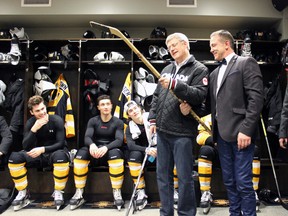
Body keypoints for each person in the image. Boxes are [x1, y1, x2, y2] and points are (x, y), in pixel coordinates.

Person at [148, 32, 209, 216]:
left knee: (184, 178)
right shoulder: (167, 68)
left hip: (183, 133)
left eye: (174, 44)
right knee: (163, 177)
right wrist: (153, 118)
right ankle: (165, 212)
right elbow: (157, 96)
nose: (171, 49)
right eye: (169, 47)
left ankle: (186, 213)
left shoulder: (199, 69)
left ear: (185, 44)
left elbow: (199, 95)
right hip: (163, 131)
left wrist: (175, 84)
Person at [208, 30, 264, 216]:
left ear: (226, 44)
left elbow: (256, 99)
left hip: (241, 134)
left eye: (213, 45)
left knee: (243, 182)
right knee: (230, 181)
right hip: (221, 136)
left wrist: (247, 130)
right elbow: (213, 105)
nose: (211, 49)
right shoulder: (215, 73)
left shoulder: (246, 63)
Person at [8, 95, 70, 211]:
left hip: (55, 152)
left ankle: (58, 191)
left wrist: (43, 149)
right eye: (37, 111)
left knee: (61, 156)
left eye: (43, 109)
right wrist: (34, 129)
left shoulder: (56, 120)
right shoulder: (31, 123)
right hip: (38, 154)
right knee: (14, 157)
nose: (42, 112)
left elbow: (61, 143)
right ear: (32, 112)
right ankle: (23, 192)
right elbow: (25, 146)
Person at [196, 114, 261, 214]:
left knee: (255, 152)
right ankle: (205, 192)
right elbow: (199, 137)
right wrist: (212, 140)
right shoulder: (208, 118)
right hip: (217, 151)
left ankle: (254, 191)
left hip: (238, 146)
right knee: (205, 151)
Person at [69, 94, 125, 211]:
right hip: (94, 152)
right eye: (102, 104)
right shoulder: (93, 121)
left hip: (109, 151)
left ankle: (117, 191)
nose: (105, 107)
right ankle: (79, 192)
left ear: (111, 106)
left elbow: (119, 141)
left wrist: (106, 147)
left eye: (108, 104)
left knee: (116, 154)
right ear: (98, 107)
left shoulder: (118, 122)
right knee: (80, 155)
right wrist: (92, 145)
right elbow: (87, 137)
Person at [124, 100, 179, 211]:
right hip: (146, 155)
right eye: (130, 111)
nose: (134, 112)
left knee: (171, 154)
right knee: (133, 156)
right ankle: (140, 191)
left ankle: (174, 190)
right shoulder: (130, 127)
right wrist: (147, 150)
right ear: (128, 115)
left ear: (140, 108)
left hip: (160, 149)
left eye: (135, 108)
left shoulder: (152, 118)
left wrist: (159, 147)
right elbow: (130, 145)